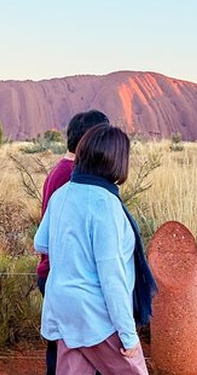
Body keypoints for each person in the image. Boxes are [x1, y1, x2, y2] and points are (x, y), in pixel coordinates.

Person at [35, 124, 157, 375]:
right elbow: (112, 279)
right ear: (118, 160)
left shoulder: (61, 194)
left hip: (61, 307)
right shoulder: (106, 204)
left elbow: (41, 243)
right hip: (95, 316)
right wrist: (129, 335)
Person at [36, 110, 110, 375]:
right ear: (89, 141)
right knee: (68, 357)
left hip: (58, 275)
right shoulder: (71, 176)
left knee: (65, 353)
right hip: (64, 277)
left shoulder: (63, 170)